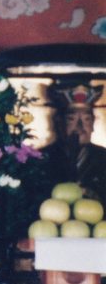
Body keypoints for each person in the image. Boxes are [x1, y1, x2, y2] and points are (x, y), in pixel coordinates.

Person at [42, 78, 106, 206]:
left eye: (87, 119)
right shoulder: (42, 158)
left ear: (93, 124)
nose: (80, 127)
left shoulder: (103, 157)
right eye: (72, 119)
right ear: (60, 123)